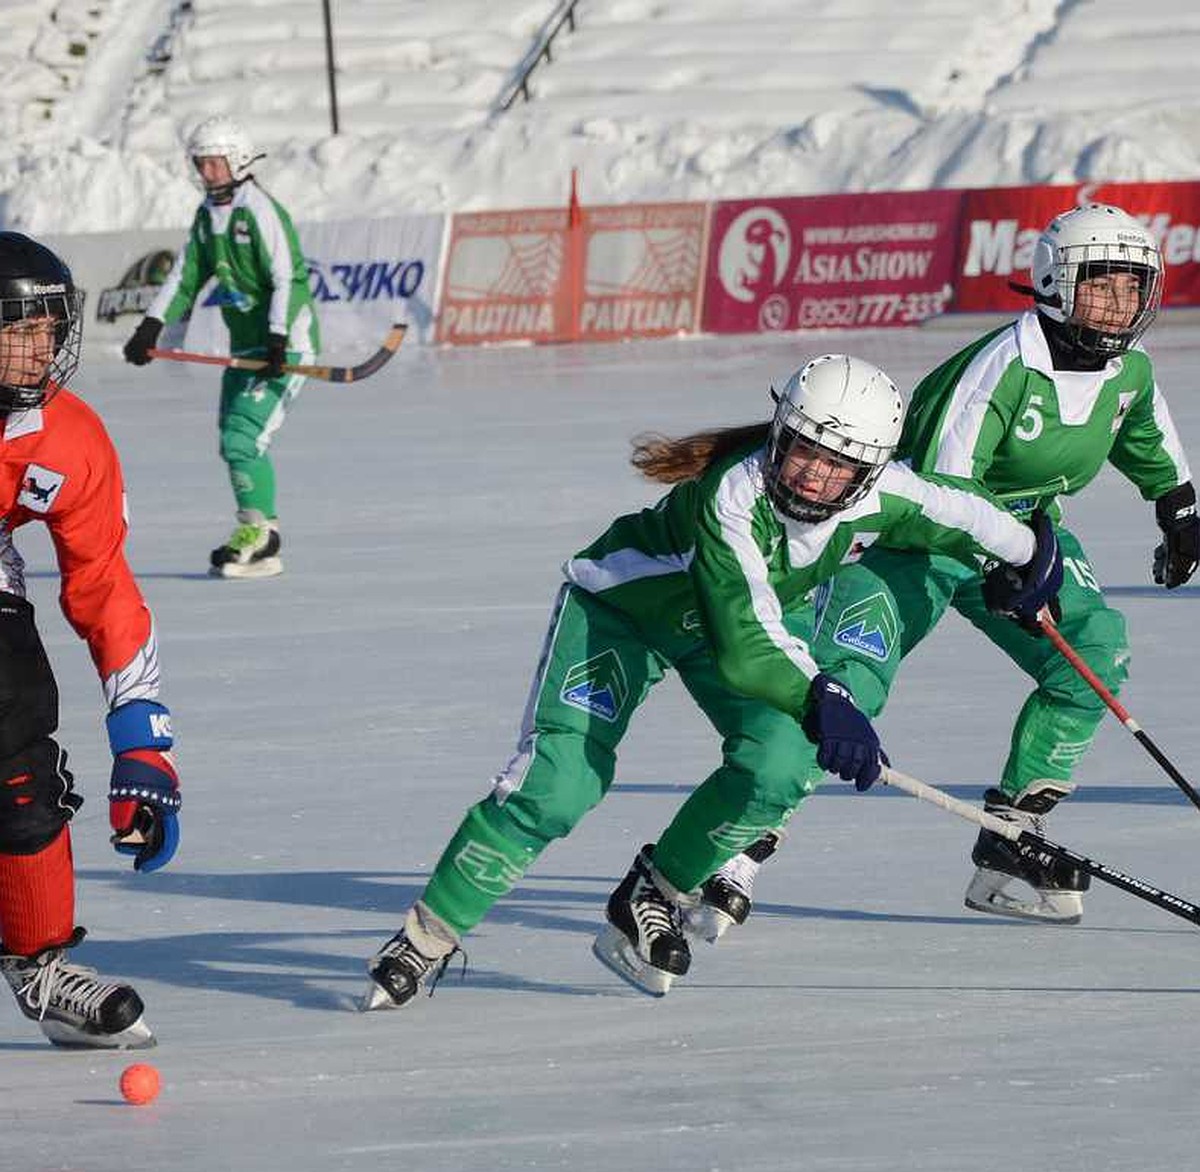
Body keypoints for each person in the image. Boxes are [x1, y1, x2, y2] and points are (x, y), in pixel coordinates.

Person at [360, 353, 1062, 1007]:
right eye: (804, 451)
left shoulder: (887, 495)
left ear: (871, 472)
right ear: (781, 434)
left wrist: (1033, 558)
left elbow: (965, 510)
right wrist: (823, 697)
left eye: (839, 466)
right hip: (623, 616)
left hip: (727, 630)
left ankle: (652, 891)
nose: (814, 478)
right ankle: (430, 933)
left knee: (780, 767)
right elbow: (746, 640)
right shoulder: (732, 496)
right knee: (559, 786)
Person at [691, 201, 1195, 933]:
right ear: (1055, 283)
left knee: (1095, 654)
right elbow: (943, 492)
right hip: (912, 537)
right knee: (845, 684)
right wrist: (997, 561)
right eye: (1100, 284)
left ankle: (1012, 840)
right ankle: (735, 846)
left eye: (1131, 286)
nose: (1119, 305)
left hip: (1024, 539)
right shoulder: (1001, 367)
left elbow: (1145, 432)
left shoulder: (1128, 370)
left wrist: (1178, 509)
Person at [0, 233, 181, 1049]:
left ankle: (40, 963)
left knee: (16, 744)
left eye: (50, 326)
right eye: (18, 326)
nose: (40, 348)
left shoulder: (68, 438)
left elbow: (102, 580)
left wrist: (142, 737)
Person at [122, 114, 320, 579]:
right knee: (233, 440)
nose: (208, 173)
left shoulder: (261, 210)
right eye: (201, 163)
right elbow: (186, 276)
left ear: (240, 160)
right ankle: (260, 534)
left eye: (215, 163)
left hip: (284, 345)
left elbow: (286, 277)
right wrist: (151, 325)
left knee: (244, 438)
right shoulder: (207, 216)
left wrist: (277, 336)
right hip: (246, 346)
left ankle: (262, 534)